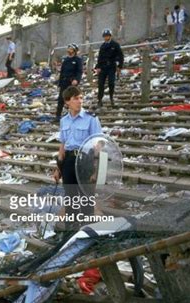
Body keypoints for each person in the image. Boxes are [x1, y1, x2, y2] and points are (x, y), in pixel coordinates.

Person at [53, 86, 102, 230]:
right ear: (67, 101)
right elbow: (63, 144)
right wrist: (58, 169)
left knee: (86, 198)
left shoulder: (91, 119)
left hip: (85, 160)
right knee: (70, 198)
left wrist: (95, 169)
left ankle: (86, 230)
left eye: (81, 98)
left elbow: (97, 144)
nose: (80, 101)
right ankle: (71, 230)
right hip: (68, 161)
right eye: (76, 98)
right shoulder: (64, 121)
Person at [95, 29, 124, 108]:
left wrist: (119, 66)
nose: (106, 37)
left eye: (107, 36)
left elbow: (120, 55)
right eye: (105, 36)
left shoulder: (115, 45)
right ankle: (99, 100)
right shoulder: (102, 46)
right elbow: (100, 57)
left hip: (111, 66)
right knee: (101, 84)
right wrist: (98, 67)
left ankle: (111, 98)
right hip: (103, 67)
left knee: (111, 83)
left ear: (110, 36)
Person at [56, 43, 82, 121]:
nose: (69, 50)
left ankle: (73, 115)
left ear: (74, 50)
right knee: (61, 99)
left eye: (70, 49)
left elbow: (79, 71)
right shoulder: (66, 60)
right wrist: (59, 83)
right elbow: (62, 72)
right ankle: (57, 116)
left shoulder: (78, 60)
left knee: (72, 100)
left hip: (72, 83)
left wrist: (76, 80)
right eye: (68, 49)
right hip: (64, 81)